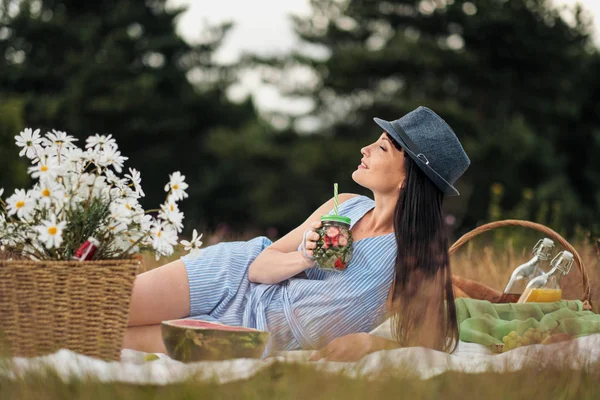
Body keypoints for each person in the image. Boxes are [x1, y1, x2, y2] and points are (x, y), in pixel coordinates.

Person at [123, 106, 471, 359]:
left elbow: (430, 345)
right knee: (101, 312)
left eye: (381, 147)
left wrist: (373, 344)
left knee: (101, 338)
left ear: (408, 177)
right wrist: (304, 255)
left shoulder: (413, 257)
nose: (364, 149)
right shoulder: (345, 205)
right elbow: (259, 268)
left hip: (253, 339)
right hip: (227, 276)